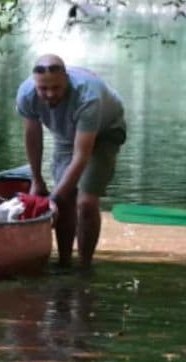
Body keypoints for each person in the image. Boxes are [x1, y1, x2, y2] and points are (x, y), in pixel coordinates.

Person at [16, 54, 126, 270]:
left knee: (85, 202)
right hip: (66, 134)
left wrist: (52, 199)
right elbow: (33, 138)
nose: (49, 94)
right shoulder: (26, 94)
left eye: (56, 88)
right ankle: (64, 263)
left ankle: (85, 266)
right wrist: (37, 180)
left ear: (66, 79)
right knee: (64, 199)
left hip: (106, 132)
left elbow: (82, 155)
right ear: (35, 84)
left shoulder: (87, 96)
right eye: (43, 89)